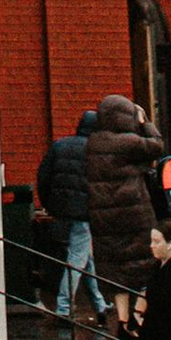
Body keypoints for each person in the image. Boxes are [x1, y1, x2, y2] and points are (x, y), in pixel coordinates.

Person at [84, 95, 163, 336]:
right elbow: (157, 145)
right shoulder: (128, 142)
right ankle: (137, 316)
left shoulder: (93, 143)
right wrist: (145, 121)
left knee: (117, 270)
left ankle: (121, 320)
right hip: (135, 214)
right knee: (148, 266)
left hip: (105, 219)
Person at [34, 112, 102, 324]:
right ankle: (63, 308)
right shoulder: (95, 151)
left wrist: (48, 204)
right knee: (76, 259)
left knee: (84, 257)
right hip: (83, 213)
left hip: (61, 211)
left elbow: (43, 176)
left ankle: (99, 304)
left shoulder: (60, 145)